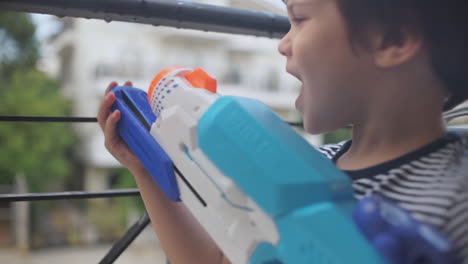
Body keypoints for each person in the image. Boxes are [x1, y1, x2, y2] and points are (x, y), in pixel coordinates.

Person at [97, 0, 468, 263]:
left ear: (394, 40)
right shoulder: (302, 165)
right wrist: (147, 168)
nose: (283, 43)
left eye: (301, 18)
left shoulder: (458, 196)